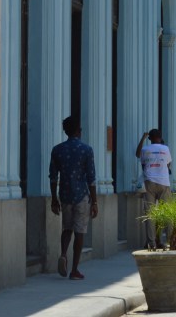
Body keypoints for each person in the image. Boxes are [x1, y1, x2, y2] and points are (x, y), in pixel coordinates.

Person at [50, 117, 98, 280]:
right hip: (81, 196)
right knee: (80, 231)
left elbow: (53, 177)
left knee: (67, 228)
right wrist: (95, 201)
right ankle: (75, 269)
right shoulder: (86, 150)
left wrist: (53, 199)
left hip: (64, 194)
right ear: (78, 131)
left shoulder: (57, 150)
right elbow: (91, 178)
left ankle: (63, 254)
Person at [136, 128, 172, 249]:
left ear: (150, 139)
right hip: (164, 183)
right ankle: (169, 240)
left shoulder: (145, 149)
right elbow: (168, 165)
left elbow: (140, 160)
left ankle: (152, 243)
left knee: (150, 215)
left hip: (149, 183)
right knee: (166, 213)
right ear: (160, 138)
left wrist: (143, 138)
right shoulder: (165, 149)